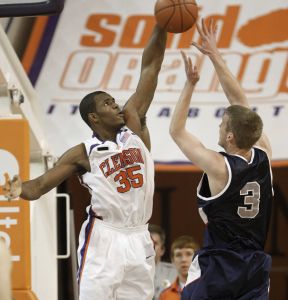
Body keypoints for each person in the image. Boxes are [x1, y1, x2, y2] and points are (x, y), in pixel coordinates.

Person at [2, 23, 167, 300]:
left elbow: (151, 67)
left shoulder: (133, 127)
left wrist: (162, 26)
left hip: (139, 236)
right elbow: (40, 185)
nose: (116, 105)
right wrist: (18, 188)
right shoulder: (83, 152)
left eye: (114, 101)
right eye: (107, 103)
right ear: (94, 117)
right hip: (105, 238)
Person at [169, 19, 273, 300]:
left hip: (219, 267)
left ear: (229, 137)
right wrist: (216, 56)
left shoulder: (219, 167)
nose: (219, 126)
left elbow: (176, 131)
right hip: (255, 266)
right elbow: (238, 99)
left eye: (222, 124)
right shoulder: (264, 153)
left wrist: (190, 84)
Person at [159, 236, 199, 300]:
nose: (183, 259)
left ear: (197, 258)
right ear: (172, 260)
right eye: (178, 255)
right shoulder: (165, 295)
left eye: (188, 254)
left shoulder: (208, 290)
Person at [148, 224, 177, 299]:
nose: (151, 247)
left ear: (162, 250)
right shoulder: (129, 272)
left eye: (155, 243)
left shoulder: (175, 272)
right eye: (148, 243)